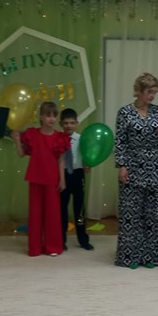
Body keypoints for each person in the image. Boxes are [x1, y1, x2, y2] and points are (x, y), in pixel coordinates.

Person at [114, 72, 158, 269]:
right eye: (149, 91)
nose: (152, 95)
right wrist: (122, 165)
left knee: (155, 214)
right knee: (131, 213)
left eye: (155, 92)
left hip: (156, 166)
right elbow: (120, 141)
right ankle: (130, 258)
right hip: (132, 165)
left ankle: (152, 257)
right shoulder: (125, 112)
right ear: (139, 91)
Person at [11, 100, 71, 257]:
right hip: (36, 178)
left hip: (52, 179)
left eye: (54, 116)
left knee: (52, 214)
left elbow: (61, 160)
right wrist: (17, 140)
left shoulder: (60, 137)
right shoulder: (32, 135)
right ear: (41, 117)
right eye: (48, 115)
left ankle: (53, 246)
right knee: (35, 214)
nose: (52, 119)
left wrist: (62, 180)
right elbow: (21, 154)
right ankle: (35, 247)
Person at [59, 108, 93, 251]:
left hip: (78, 175)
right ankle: (61, 240)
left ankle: (83, 239)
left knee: (79, 209)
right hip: (63, 175)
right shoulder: (58, 138)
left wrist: (87, 164)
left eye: (72, 123)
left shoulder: (81, 139)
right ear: (61, 124)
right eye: (66, 123)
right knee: (62, 209)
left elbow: (86, 154)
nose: (69, 126)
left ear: (77, 124)